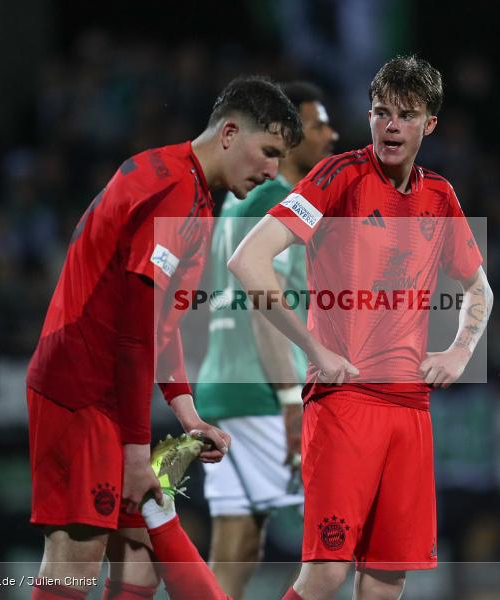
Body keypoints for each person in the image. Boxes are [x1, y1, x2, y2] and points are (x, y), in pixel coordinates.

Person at [25, 76, 302, 600]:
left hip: (100, 389)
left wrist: (186, 409)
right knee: (76, 559)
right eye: (267, 151)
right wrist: (135, 450)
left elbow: (160, 322)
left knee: (139, 561)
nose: (272, 171)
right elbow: (133, 333)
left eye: (281, 159)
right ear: (228, 133)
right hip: (79, 388)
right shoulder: (173, 190)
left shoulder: (192, 190)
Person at [229, 56, 494, 600]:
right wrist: (313, 347)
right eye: (380, 113)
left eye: (405, 114)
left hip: (410, 409)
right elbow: (247, 260)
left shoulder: (439, 196)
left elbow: (480, 291)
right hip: (344, 401)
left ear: (430, 124)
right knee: (326, 573)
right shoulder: (339, 178)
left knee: (384, 580)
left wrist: (459, 353)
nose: (390, 125)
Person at [195, 81, 338, 599]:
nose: (330, 135)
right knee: (344, 526)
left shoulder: (240, 201)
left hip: (224, 385)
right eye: (318, 125)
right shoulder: (281, 203)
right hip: (264, 391)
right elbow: (262, 305)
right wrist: (288, 398)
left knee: (237, 544)